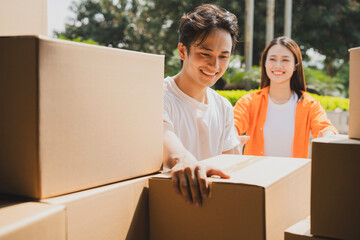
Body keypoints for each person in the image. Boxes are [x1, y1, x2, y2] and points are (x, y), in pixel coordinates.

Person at [163, 4, 247, 207]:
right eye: (205, 53)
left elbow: (230, 169)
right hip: (169, 205)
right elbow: (164, 137)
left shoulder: (223, 107)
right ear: (183, 51)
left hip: (211, 209)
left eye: (223, 56)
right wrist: (184, 160)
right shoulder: (158, 95)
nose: (215, 66)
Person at [233, 36, 338, 158]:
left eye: (285, 60)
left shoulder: (310, 105)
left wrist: (328, 135)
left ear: (295, 66)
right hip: (255, 175)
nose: (278, 65)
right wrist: (233, 135)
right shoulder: (249, 102)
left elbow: (325, 127)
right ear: (265, 63)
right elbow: (234, 124)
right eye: (272, 59)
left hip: (293, 176)